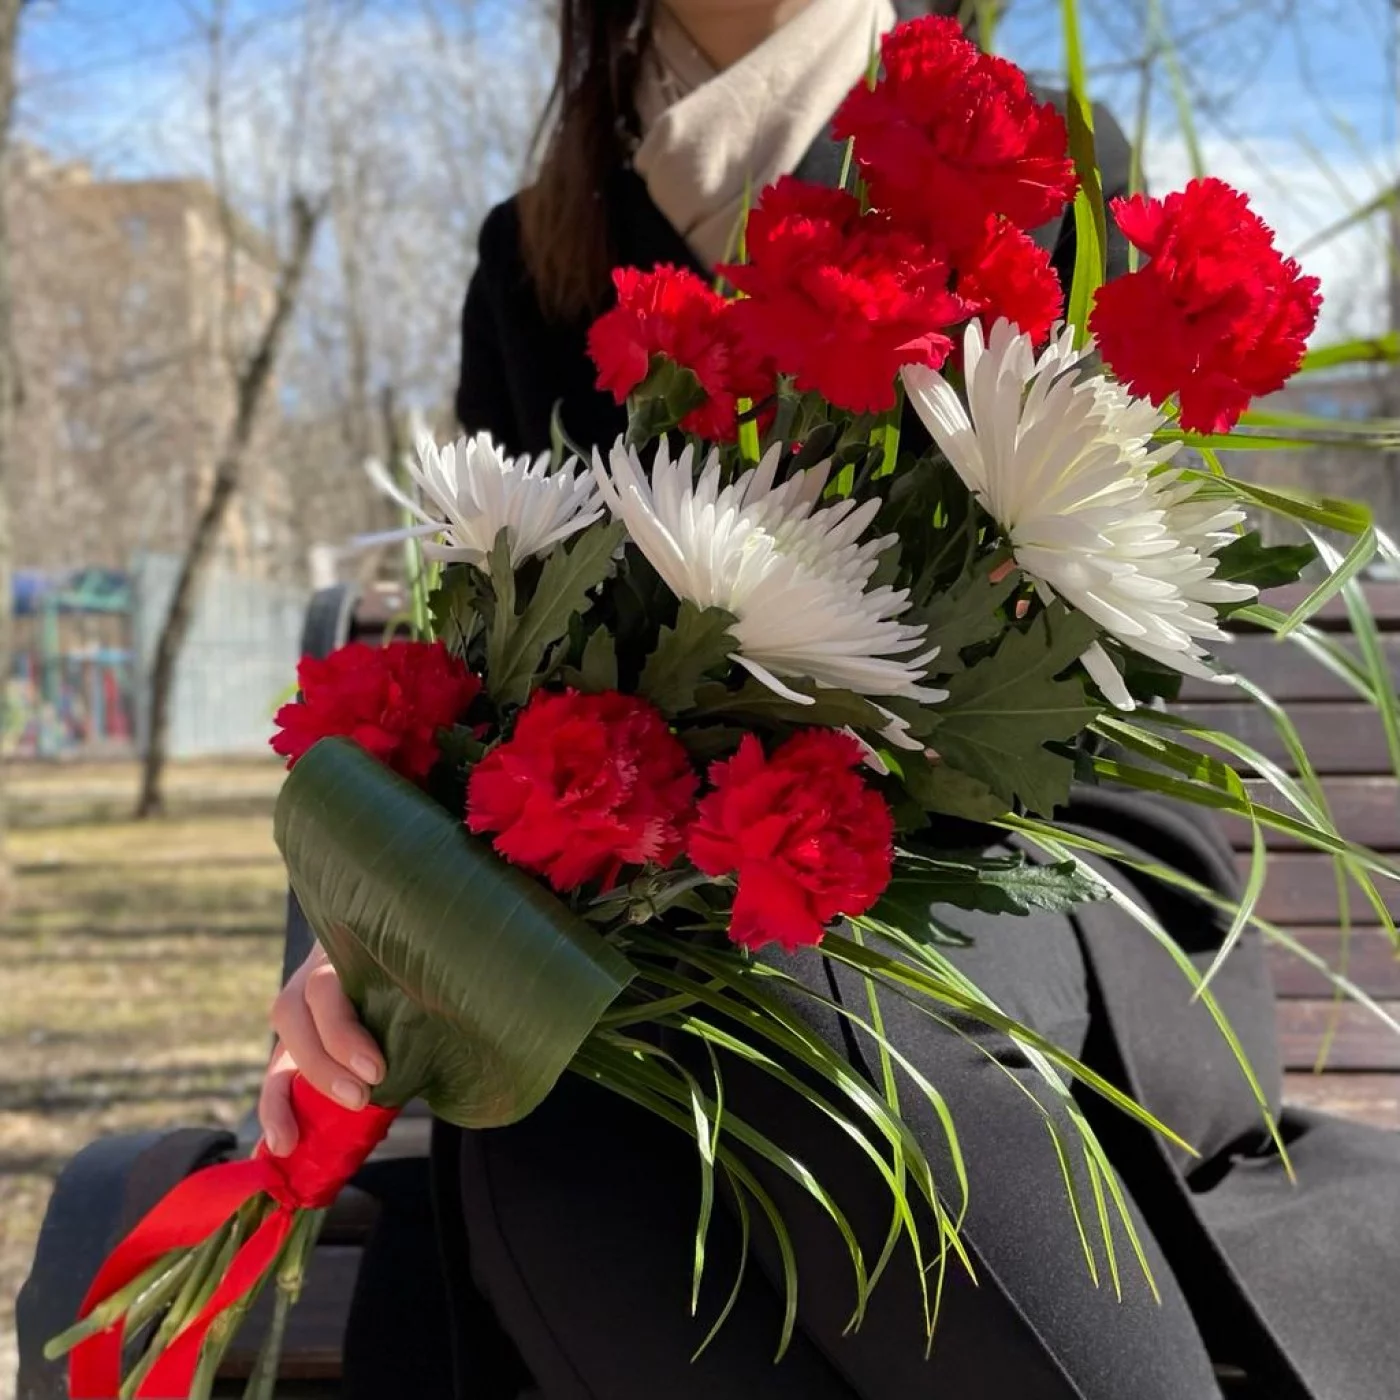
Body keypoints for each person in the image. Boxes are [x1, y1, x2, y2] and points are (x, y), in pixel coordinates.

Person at [262, 3, 1400, 1398]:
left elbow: (1110, 607)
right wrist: (392, 935)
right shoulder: (539, 257)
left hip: (1042, 871)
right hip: (679, 919)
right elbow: (494, 669)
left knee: (781, 987)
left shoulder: (1029, 156)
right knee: (561, 1108)